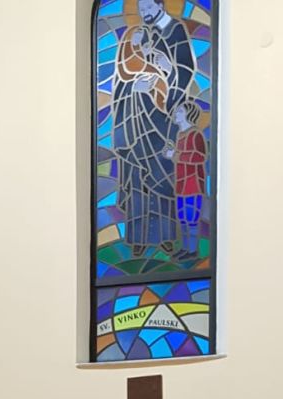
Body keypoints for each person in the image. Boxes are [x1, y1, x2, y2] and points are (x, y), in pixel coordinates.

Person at [113, 0, 195, 255]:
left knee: (163, 171)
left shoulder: (175, 31)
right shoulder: (140, 35)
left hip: (165, 117)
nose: (144, 14)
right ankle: (137, 237)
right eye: (141, 10)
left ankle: (166, 236)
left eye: (148, 8)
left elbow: (185, 71)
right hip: (136, 117)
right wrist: (134, 87)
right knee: (137, 173)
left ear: (161, 5)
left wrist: (167, 72)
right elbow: (125, 75)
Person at [164, 100, 207, 255]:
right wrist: (173, 152)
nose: (176, 114)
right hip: (181, 184)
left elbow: (199, 157)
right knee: (182, 218)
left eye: (180, 111)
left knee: (191, 218)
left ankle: (193, 250)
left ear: (189, 115)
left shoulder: (195, 134)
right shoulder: (181, 135)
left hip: (193, 183)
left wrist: (175, 155)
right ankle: (185, 248)